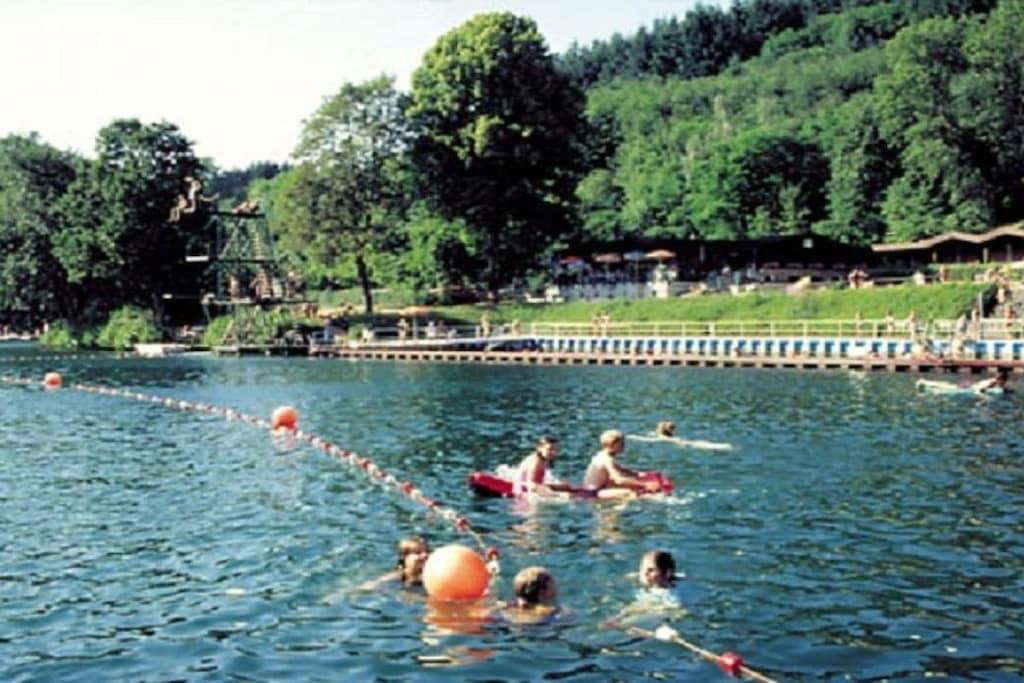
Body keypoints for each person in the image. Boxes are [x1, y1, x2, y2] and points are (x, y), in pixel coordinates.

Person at [583, 430, 662, 498]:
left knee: (623, 485)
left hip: (591, 490)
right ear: (613, 444)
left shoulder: (600, 455)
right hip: (593, 493)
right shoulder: (607, 459)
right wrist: (645, 484)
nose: (624, 446)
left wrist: (638, 474)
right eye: (621, 443)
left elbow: (620, 469)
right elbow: (619, 480)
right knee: (629, 493)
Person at [359, 536, 430, 590]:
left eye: (427, 551)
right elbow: (369, 587)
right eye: (418, 552)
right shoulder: (397, 577)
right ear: (404, 558)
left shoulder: (430, 575)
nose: (425, 555)